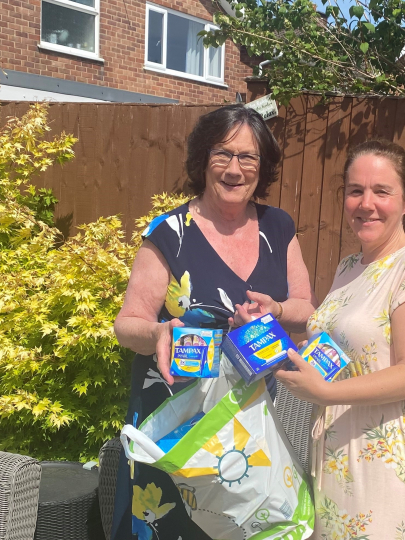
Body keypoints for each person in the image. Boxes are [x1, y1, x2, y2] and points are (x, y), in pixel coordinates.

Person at [111, 105, 316, 540]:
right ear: (203, 159)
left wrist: (275, 311)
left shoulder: (277, 228)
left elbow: (304, 310)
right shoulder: (169, 232)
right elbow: (127, 323)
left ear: (263, 167)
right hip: (178, 429)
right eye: (223, 154)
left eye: (249, 157)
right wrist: (159, 332)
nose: (235, 169)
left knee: (242, 524)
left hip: (246, 425)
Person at [275, 139, 405, 539]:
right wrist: (278, 315)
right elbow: (340, 347)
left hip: (385, 456)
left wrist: (324, 393)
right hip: (334, 448)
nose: (365, 203)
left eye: (381, 191)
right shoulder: (350, 266)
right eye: (355, 191)